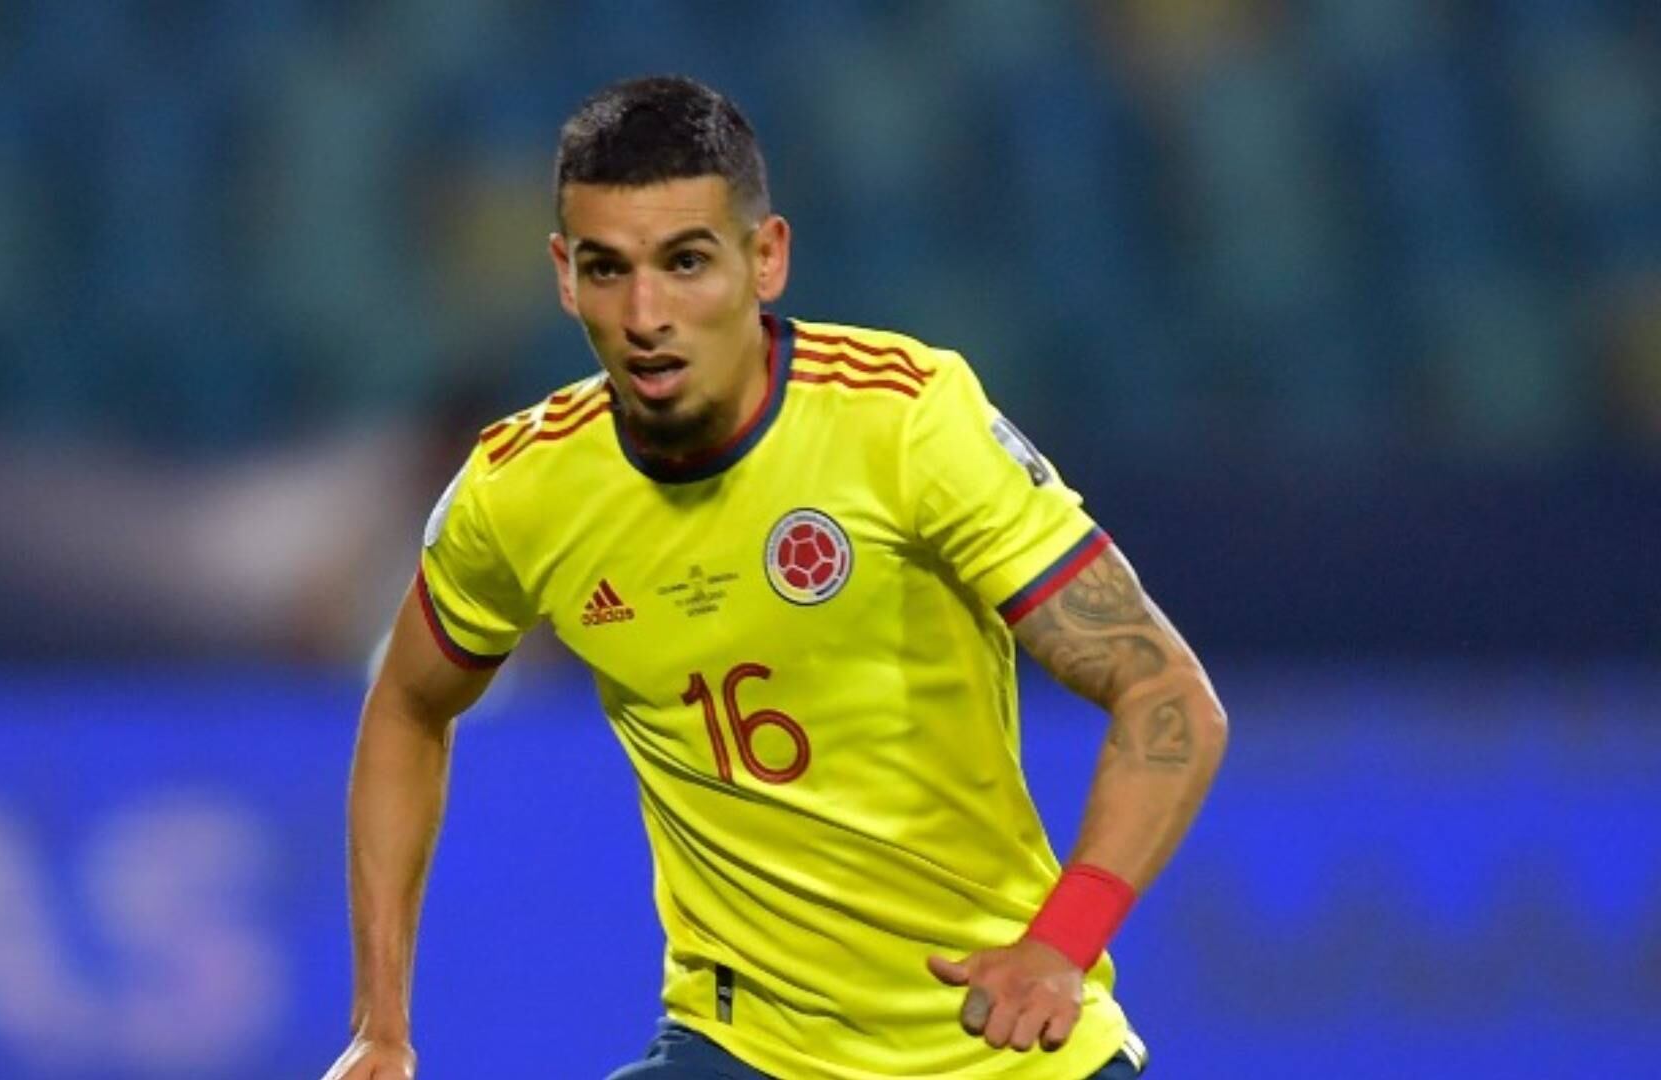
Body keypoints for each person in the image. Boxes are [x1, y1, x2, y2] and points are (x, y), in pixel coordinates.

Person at [325, 75, 1227, 1080]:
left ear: (768, 258)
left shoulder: (906, 425)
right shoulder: (520, 492)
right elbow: (407, 706)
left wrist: (1063, 944)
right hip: (740, 1045)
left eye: (686, 262)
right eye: (607, 268)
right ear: (564, 277)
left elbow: (1166, 695)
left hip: (999, 1046)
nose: (646, 314)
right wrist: (381, 1025)